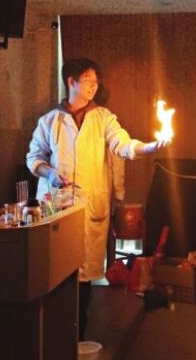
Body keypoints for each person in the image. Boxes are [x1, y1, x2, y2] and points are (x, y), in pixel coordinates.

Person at [26, 58, 169, 339]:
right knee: (55, 272)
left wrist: (147, 147)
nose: (94, 86)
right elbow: (34, 158)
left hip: (90, 206)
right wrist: (50, 173)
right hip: (56, 207)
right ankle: (53, 337)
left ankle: (77, 337)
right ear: (71, 81)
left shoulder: (104, 118)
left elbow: (123, 144)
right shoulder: (50, 121)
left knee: (83, 277)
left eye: (96, 81)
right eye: (88, 80)